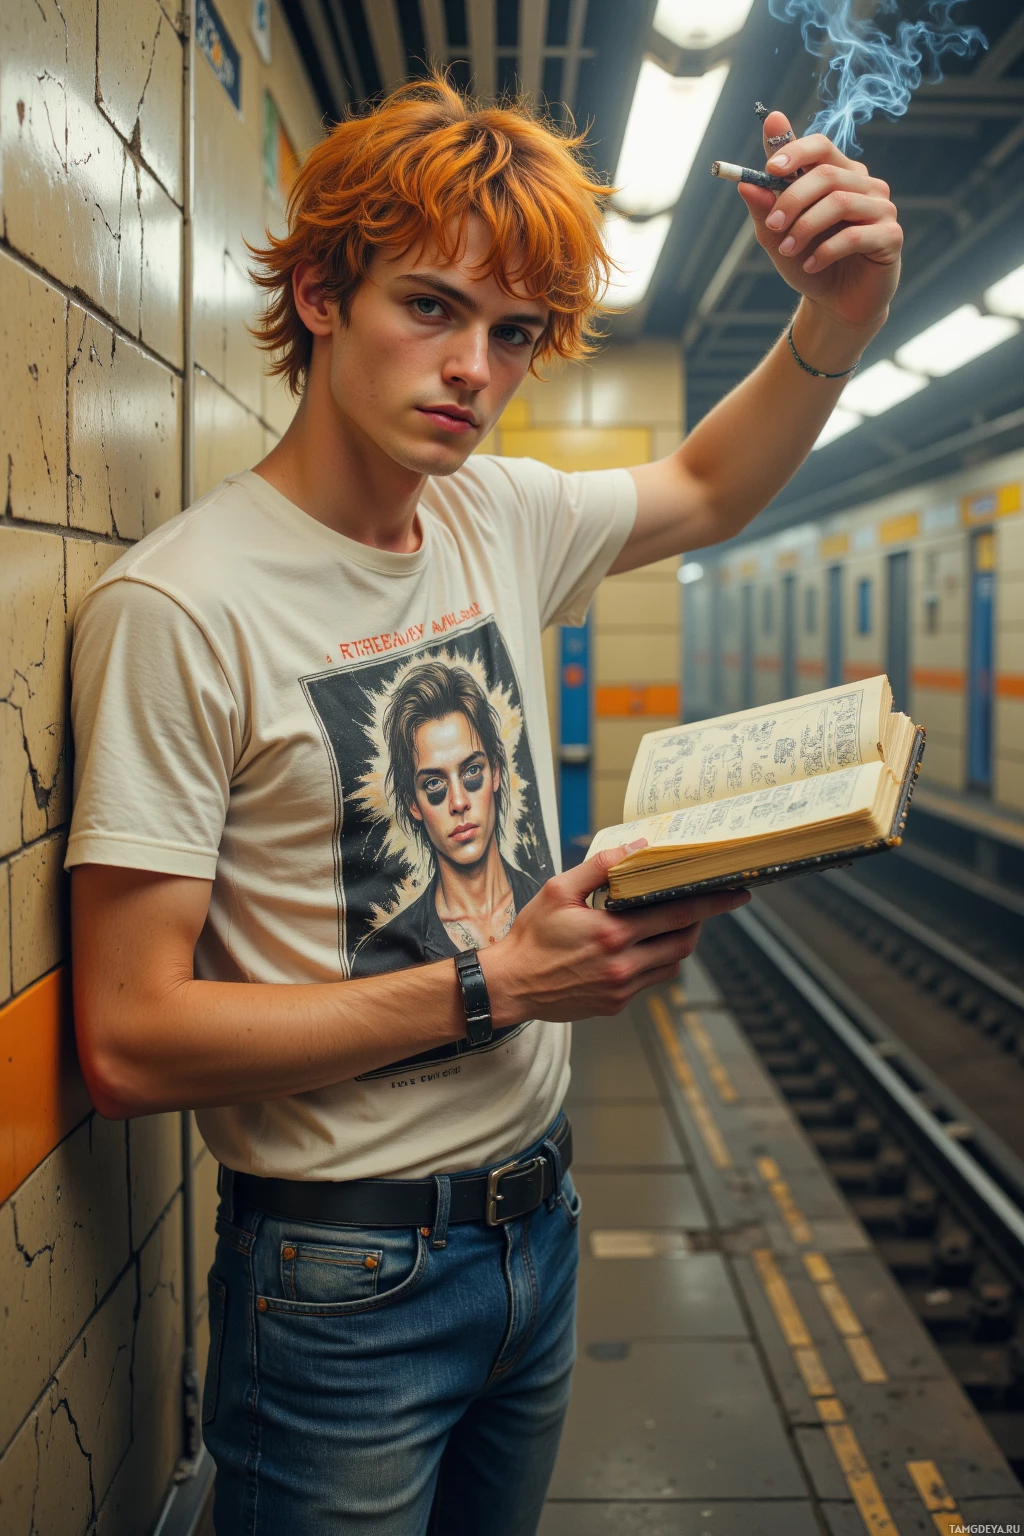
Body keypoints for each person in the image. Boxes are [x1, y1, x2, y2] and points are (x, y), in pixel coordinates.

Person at [68, 75, 902, 1536]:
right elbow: (131, 1038)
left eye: (512, 335)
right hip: (342, 1285)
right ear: (323, 293)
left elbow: (708, 486)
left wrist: (836, 317)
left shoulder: (493, 515)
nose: (474, 368)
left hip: (539, 1235)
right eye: (433, 308)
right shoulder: (181, 606)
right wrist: (494, 984)